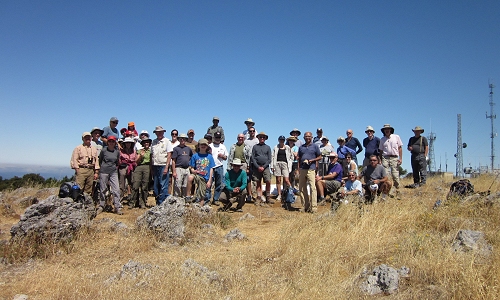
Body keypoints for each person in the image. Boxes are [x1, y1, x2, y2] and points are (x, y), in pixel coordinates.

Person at [97, 135, 122, 215]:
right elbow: (100, 160)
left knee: (116, 189)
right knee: (103, 189)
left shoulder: (117, 151)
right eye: (110, 141)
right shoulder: (104, 150)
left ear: (115, 143)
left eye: (113, 141)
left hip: (113, 171)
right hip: (104, 171)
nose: (111, 143)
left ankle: (117, 207)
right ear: (107, 142)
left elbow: (117, 161)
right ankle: (102, 205)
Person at [186, 138, 215, 205]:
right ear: (198, 146)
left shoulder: (210, 157)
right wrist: (193, 171)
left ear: (207, 146)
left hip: (205, 177)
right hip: (197, 175)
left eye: (205, 145)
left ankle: (200, 207)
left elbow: (211, 169)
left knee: (202, 194)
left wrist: (210, 180)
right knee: (190, 177)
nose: (203, 146)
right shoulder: (195, 156)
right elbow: (191, 167)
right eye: (201, 144)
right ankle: (188, 196)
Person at [298, 132, 321, 213]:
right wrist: (299, 168)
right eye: (306, 136)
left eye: (309, 136)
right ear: (304, 137)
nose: (307, 137)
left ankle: (314, 207)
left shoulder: (315, 146)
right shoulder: (301, 147)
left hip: (311, 169)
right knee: (301, 188)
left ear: (311, 137)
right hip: (302, 169)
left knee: (312, 188)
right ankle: (305, 206)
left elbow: (320, 156)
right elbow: (299, 158)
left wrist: (312, 160)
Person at [379, 124, 403, 198]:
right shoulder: (382, 139)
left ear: (390, 130)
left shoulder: (396, 137)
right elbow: (381, 151)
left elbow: (400, 148)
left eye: (388, 129)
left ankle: (398, 191)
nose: (387, 130)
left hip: (394, 158)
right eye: (385, 129)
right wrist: (380, 160)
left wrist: (400, 158)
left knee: (395, 175)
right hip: (385, 157)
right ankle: (386, 191)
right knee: (386, 175)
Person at [151, 126, 174, 205]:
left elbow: (169, 155)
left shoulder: (167, 141)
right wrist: (151, 168)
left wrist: (167, 167)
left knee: (163, 185)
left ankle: (162, 203)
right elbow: (152, 155)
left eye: (161, 132)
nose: (159, 133)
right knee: (156, 186)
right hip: (155, 165)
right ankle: (158, 202)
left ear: (163, 132)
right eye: (158, 132)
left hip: (163, 165)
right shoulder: (153, 142)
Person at [228, 134, 252, 200]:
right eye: (239, 137)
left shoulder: (247, 147)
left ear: (244, 138)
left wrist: (248, 167)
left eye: (242, 137)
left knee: (245, 180)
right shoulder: (233, 146)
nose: (240, 139)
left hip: (243, 164)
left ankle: (246, 195)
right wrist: (229, 166)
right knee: (235, 179)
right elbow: (230, 156)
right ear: (237, 138)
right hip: (235, 164)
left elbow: (249, 157)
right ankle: (234, 194)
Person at [251, 132, 273, 205]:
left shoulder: (268, 147)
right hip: (256, 167)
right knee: (258, 182)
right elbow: (253, 158)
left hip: (265, 167)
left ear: (265, 139)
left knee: (268, 181)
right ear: (258, 138)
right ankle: (259, 197)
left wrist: (263, 167)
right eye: (260, 137)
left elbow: (269, 159)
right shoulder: (255, 147)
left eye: (263, 137)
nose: (262, 138)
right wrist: (258, 167)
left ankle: (268, 196)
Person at [130, 137, 151, 209]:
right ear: (142, 144)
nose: (146, 143)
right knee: (136, 184)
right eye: (145, 142)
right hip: (139, 167)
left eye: (147, 142)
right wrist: (141, 156)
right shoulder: (140, 151)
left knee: (145, 186)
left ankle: (143, 203)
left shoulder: (151, 151)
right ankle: (133, 202)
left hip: (147, 167)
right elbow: (136, 161)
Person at [271, 136, 293, 201]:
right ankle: (279, 194)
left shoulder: (287, 147)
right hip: (277, 164)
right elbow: (272, 157)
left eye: (283, 140)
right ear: (278, 140)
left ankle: (291, 192)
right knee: (278, 180)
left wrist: (290, 162)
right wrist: (272, 166)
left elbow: (291, 156)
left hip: (285, 164)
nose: (282, 141)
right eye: (280, 140)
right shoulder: (275, 147)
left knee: (286, 180)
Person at [209, 132, 228, 206]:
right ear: (214, 137)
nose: (217, 139)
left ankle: (215, 199)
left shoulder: (223, 146)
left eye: (219, 137)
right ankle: (207, 199)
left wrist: (222, 156)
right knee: (209, 183)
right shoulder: (210, 146)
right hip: (211, 167)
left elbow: (226, 157)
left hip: (219, 166)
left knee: (219, 184)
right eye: (216, 137)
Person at [118, 137, 137, 204]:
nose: (128, 144)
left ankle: (131, 199)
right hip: (123, 167)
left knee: (132, 182)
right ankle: (120, 199)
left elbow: (135, 159)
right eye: (127, 143)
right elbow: (119, 160)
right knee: (121, 184)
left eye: (129, 143)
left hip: (131, 168)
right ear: (124, 144)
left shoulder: (134, 151)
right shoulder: (121, 151)